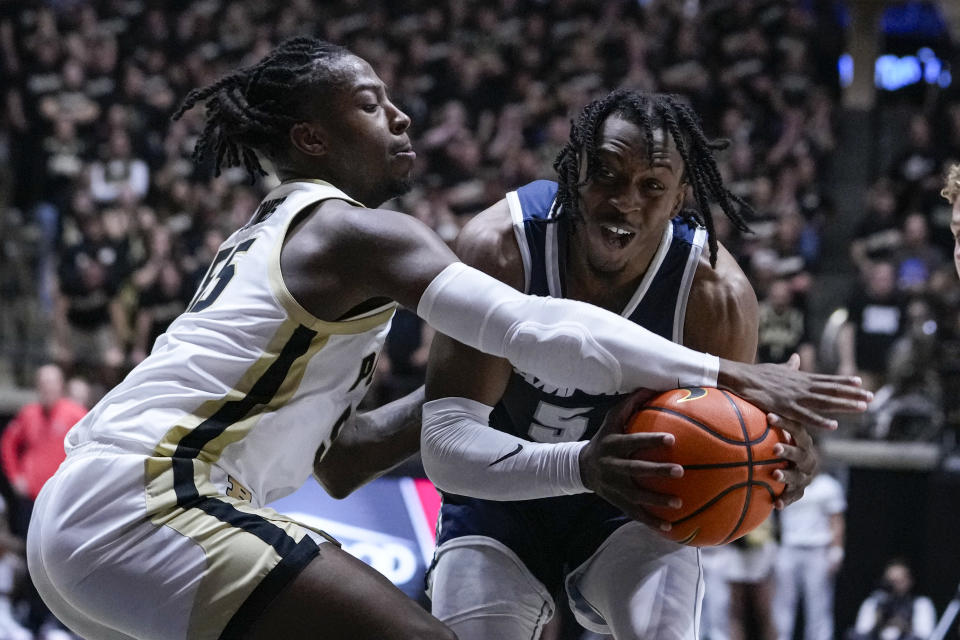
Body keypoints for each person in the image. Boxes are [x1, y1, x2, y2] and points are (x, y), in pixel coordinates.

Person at [26, 39, 869, 640]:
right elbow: (532, 327)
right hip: (154, 500)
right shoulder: (358, 232)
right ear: (312, 140)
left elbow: (341, 457)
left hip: (87, 523)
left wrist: (766, 453)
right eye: (368, 103)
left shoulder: (280, 237)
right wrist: (731, 374)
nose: (398, 115)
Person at [421, 90, 857, 640]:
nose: (624, 201)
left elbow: (737, 448)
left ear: (679, 200)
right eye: (606, 173)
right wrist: (580, 464)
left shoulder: (714, 293)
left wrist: (779, 463)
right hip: (500, 492)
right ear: (575, 169)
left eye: (651, 185)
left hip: (636, 506)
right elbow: (443, 447)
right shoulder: (501, 246)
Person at [773, 454, 846, 640]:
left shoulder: (828, 486)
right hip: (789, 548)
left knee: (818, 604)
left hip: (817, 550)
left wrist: (837, 550)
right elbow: (778, 517)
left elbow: (836, 520)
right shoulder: (788, 483)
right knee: (782, 603)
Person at [847, 558, 936, 640]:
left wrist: (903, 627)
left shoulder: (920, 604)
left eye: (899, 581)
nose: (894, 587)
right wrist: (877, 624)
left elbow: (925, 635)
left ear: (909, 581)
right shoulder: (873, 603)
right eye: (891, 582)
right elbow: (860, 633)